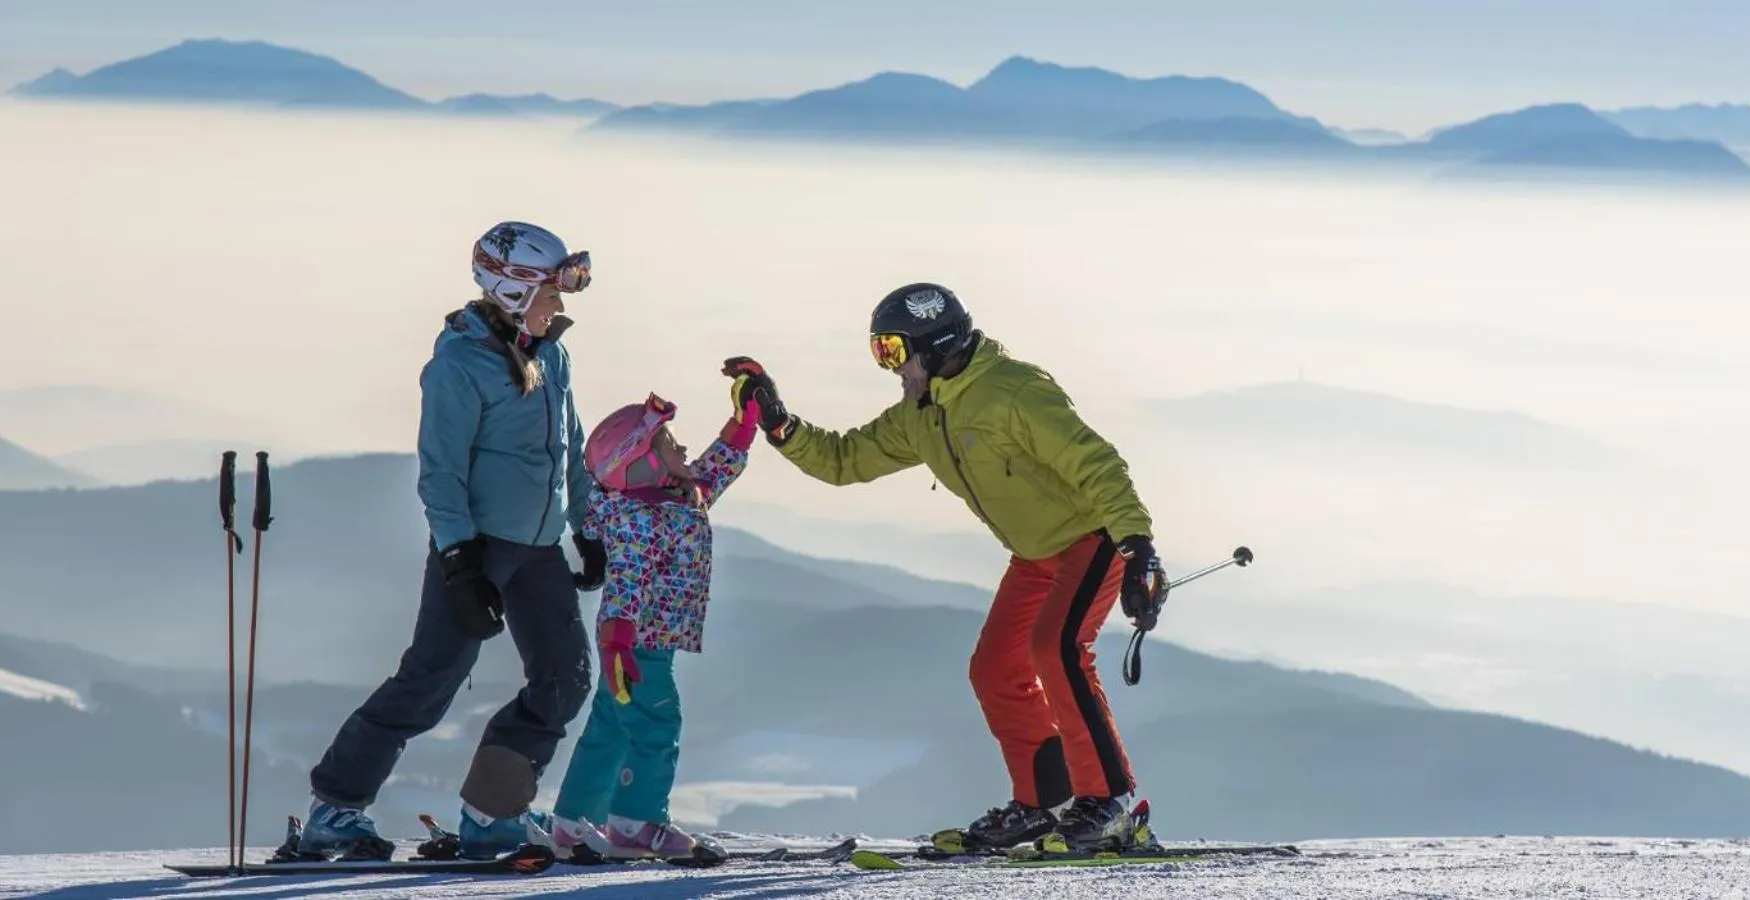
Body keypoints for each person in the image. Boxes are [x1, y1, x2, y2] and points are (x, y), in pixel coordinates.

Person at [722, 282, 1168, 853]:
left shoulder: (1015, 392)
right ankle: (1041, 804)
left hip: (1094, 537)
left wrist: (1138, 546)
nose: (890, 368)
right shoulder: (923, 412)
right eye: (880, 352)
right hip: (1035, 553)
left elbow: (1096, 462)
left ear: (936, 345)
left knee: (1055, 650)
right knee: (994, 669)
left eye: (893, 351)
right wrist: (778, 422)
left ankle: (1108, 804)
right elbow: (844, 458)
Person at [298, 221, 607, 862]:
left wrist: (589, 527)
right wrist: (460, 562)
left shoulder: (554, 354)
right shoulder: (459, 365)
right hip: (480, 547)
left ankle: (492, 813)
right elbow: (441, 471)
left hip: (540, 547)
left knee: (566, 680)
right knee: (431, 680)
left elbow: (570, 449)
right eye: (554, 289)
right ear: (514, 289)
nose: (562, 302)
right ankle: (335, 808)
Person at [540, 380, 756, 864]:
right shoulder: (641, 518)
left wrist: (744, 424)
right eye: (667, 443)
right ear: (643, 464)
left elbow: (715, 472)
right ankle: (637, 823)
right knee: (657, 722)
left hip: (635, 641)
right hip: (637, 645)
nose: (681, 447)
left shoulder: (674, 497)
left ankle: (574, 822)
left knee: (610, 728)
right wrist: (619, 643)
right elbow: (627, 583)